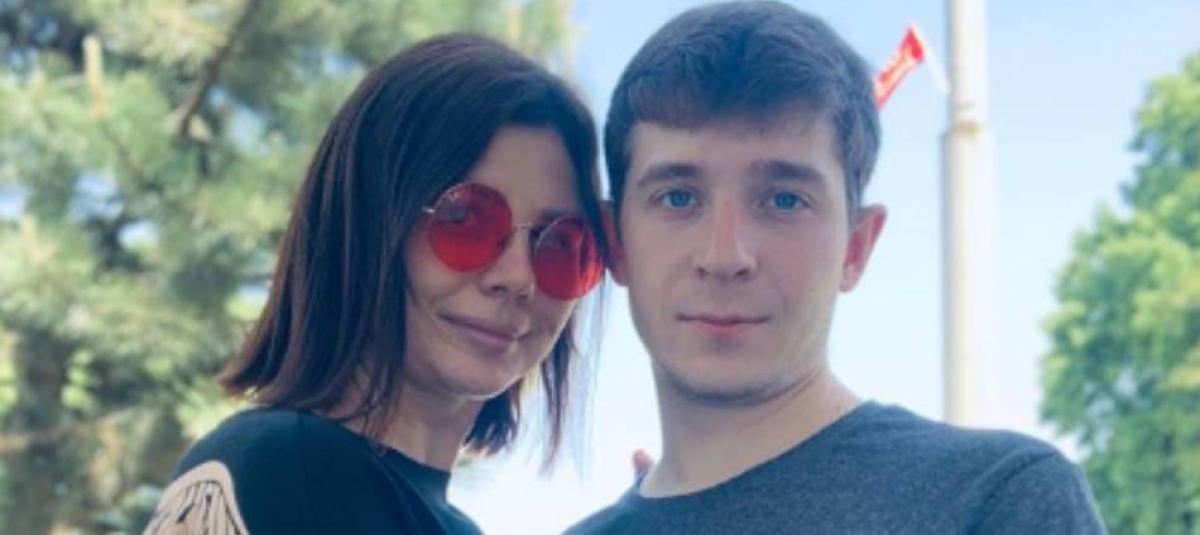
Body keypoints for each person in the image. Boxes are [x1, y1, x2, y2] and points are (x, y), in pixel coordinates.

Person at [566, 2, 1106, 534]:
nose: (724, 256)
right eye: (678, 198)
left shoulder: (1000, 499)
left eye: (783, 201)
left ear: (856, 246)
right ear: (616, 243)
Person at [143, 33, 609, 535]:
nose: (519, 277)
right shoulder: (277, 469)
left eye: (561, 244)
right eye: (465, 219)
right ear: (367, 223)